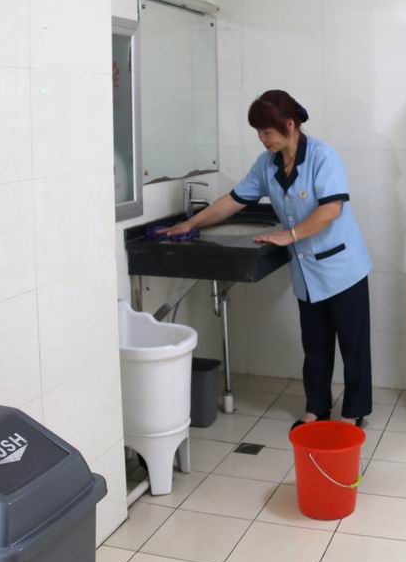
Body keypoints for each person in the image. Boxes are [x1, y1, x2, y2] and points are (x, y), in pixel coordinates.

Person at [159, 90, 373, 429]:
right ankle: (316, 408)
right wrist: (190, 224)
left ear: (289, 125)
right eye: (259, 132)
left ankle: (353, 411)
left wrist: (290, 235)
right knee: (315, 345)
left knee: (352, 343)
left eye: (267, 131)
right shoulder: (267, 164)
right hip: (307, 271)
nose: (262, 139)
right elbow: (233, 201)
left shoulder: (322, 156)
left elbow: (331, 209)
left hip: (342, 267)